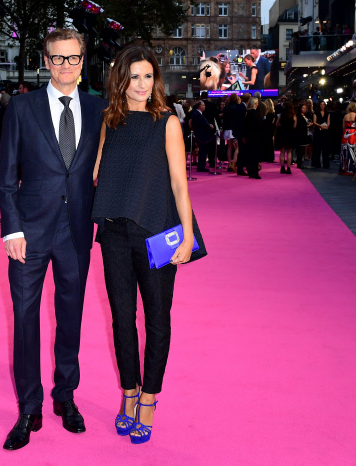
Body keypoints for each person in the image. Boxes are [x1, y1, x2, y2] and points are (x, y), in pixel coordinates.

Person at [0, 28, 108, 451]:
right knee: (25, 319)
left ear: (83, 61)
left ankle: (66, 396)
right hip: (29, 232)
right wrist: (12, 228)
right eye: (58, 58)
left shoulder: (100, 109)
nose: (66, 66)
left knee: (71, 318)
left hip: (77, 230)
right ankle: (29, 407)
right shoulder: (22, 108)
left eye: (73, 58)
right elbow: (7, 178)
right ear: (46, 61)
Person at [91, 44, 206, 445]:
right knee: (122, 317)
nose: (142, 84)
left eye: (148, 76)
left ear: (156, 79)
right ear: (120, 80)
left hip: (158, 233)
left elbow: (178, 182)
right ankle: (128, 391)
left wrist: (188, 234)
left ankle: (150, 398)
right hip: (114, 232)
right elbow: (97, 171)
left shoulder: (167, 121)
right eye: (134, 77)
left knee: (157, 318)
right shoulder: (110, 120)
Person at [191, 100, 214, 172]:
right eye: (203, 105)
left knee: (203, 151)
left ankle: (201, 166)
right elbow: (202, 124)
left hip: (202, 135)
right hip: (202, 135)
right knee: (202, 151)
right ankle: (201, 167)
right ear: (200, 106)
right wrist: (209, 126)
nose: (205, 106)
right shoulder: (197, 114)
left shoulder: (198, 113)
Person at [242, 97, 263, 179]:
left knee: (249, 155)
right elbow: (259, 125)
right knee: (255, 155)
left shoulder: (247, 113)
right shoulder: (255, 113)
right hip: (255, 137)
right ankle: (255, 172)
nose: (258, 104)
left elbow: (244, 126)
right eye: (257, 103)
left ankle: (250, 172)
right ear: (254, 104)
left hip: (248, 136)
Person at [276, 102, 296, 174]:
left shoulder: (281, 115)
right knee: (289, 152)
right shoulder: (293, 115)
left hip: (282, 134)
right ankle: (288, 168)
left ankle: (282, 168)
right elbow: (294, 126)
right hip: (290, 134)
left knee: (282, 152)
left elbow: (277, 124)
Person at [223, 93, 240, 172]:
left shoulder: (226, 107)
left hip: (227, 129)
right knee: (237, 148)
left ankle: (229, 164)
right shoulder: (237, 107)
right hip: (235, 129)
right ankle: (234, 164)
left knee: (229, 147)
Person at [312, 101, 331, 169]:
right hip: (318, 132)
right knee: (317, 148)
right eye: (321, 104)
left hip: (325, 132)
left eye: (323, 105)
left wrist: (326, 127)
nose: (322, 106)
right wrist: (320, 126)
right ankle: (316, 163)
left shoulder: (327, 113)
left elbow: (328, 122)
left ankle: (326, 164)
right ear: (319, 105)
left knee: (325, 149)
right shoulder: (316, 113)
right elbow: (314, 122)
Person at [235, 93, 250, 176]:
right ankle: (240, 169)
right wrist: (243, 135)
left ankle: (241, 168)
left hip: (239, 132)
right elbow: (241, 123)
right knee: (242, 151)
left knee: (242, 151)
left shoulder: (239, 106)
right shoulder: (242, 108)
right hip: (242, 133)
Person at [341, 102, 356, 175]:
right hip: (354, 133)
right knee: (353, 151)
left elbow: (343, 127)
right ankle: (353, 169)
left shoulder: (345, 116)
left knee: (345, 151)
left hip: (346, 133)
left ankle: (344, 168)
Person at [295, 103, 311, 169]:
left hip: (306, 134)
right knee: (300, 150)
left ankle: (300, 162)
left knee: (303, 149)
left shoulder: (306, 115)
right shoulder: (298, 116)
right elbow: (298, 126)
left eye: (305, 108)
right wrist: (307, 125)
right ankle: (299, 163)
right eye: (303, 108)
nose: (304, 109)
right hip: (300, 134)